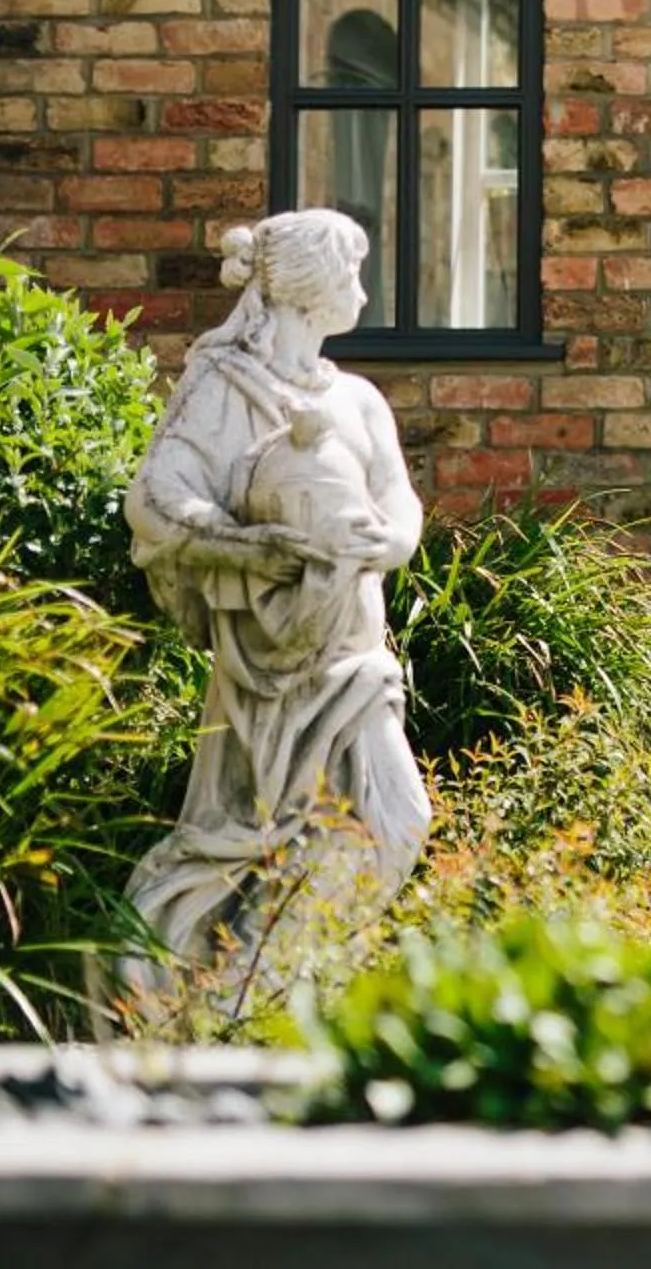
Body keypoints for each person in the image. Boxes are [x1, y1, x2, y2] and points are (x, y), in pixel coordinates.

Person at [122, 210, 428, 987]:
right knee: (247, 840)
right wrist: (246, 544)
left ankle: (261, 984)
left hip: (354, 654)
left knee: (395, 824)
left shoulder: (358, 399)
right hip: (261, 660)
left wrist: (387, 543)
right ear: (309, 289)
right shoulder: (223, 387)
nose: (362, 288)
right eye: (352, 271)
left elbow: (398, 499)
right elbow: (155, 496)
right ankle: (230, 991)